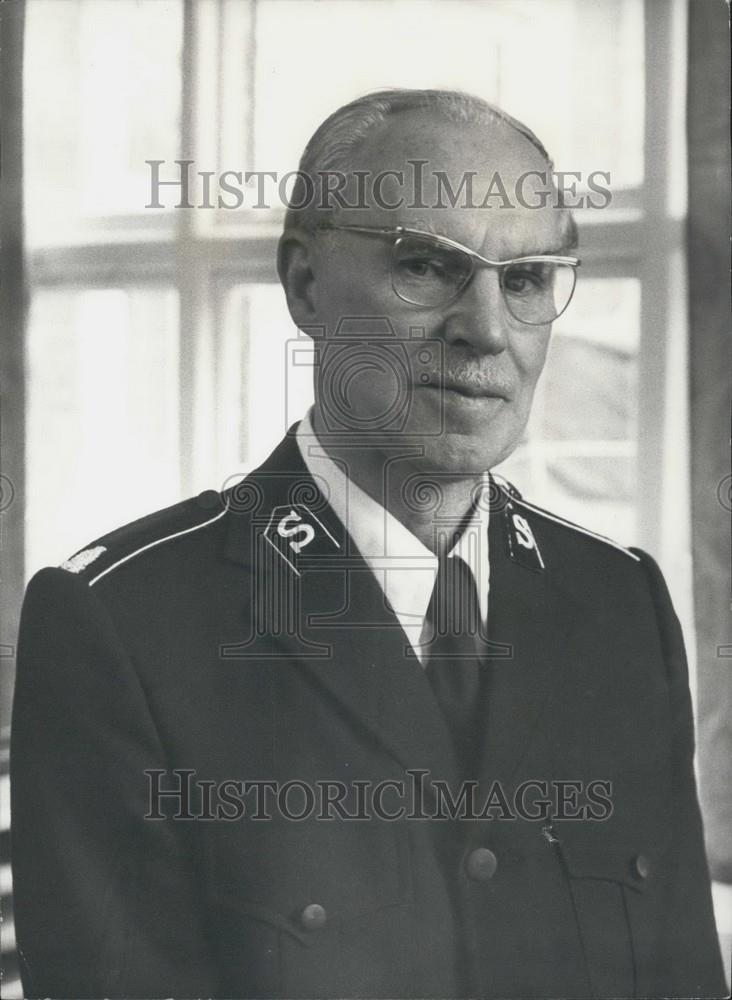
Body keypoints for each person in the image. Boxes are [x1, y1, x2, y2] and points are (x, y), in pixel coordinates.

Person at [10, 89, 725, 999]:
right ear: (305, 286)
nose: (487, 330)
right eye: (426, 266)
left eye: (527, 279)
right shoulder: (126, 626)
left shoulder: (619, 605)